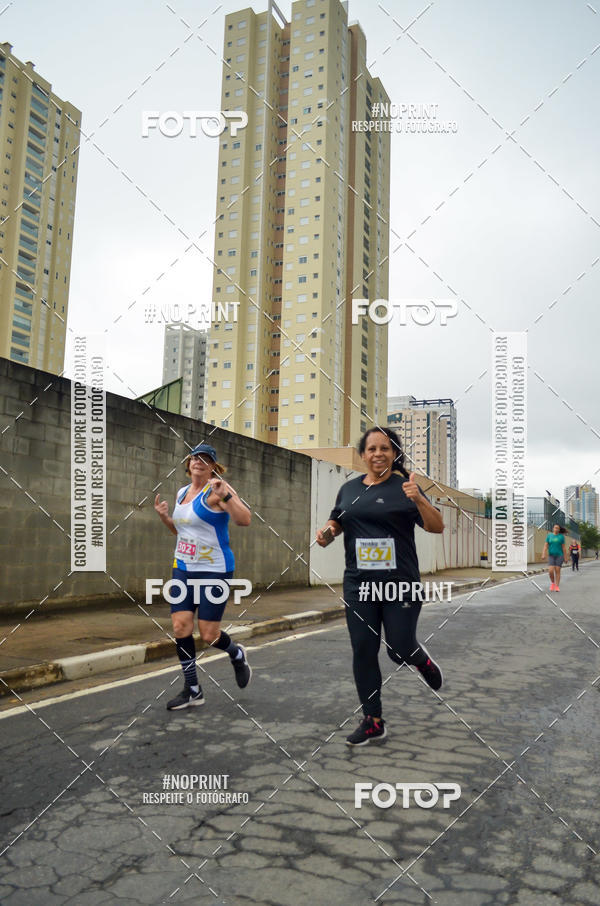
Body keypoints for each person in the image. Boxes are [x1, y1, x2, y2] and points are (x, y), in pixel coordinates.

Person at [316, 427, 445, 747]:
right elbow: (338, 521)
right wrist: (328, 533)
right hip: (358, 585)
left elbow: (437, 526)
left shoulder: (406, 487)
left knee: (399, 647)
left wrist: (419, 500)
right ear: (363, 455)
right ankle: (373, 720)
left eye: (384, 448)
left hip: (399, 584)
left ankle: (420, 659)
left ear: (394, 453)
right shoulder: (348, 490)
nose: (378, 454)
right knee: (363, 649)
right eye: (371, 449)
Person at [154, 443, 252, 710]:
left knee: (208, 634)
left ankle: (237, 653)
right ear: (188, 463)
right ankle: (193, 689)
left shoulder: (218, 490)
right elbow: (182, 532)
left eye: (206, 459)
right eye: (195, 457)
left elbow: (245, 520)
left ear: (212, 467)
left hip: (214, 570)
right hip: (184, 568)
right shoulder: (182, 492)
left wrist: (227, 498)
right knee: (180, 627)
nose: (199, 461)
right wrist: (165, 517)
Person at [542, 524, 567, 592]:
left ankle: (557, 586)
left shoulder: (561, 537)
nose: (556, 529)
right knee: (550, 571)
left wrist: (565, 557)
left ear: (559, 530)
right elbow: (545, 546)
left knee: (557, 570)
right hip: (551, 555)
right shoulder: (549, 536)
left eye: (557, 528)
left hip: (559, 555)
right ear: (553, 528)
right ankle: (553, 583)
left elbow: (563, 548)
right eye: (555, 528)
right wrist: (543, 554)